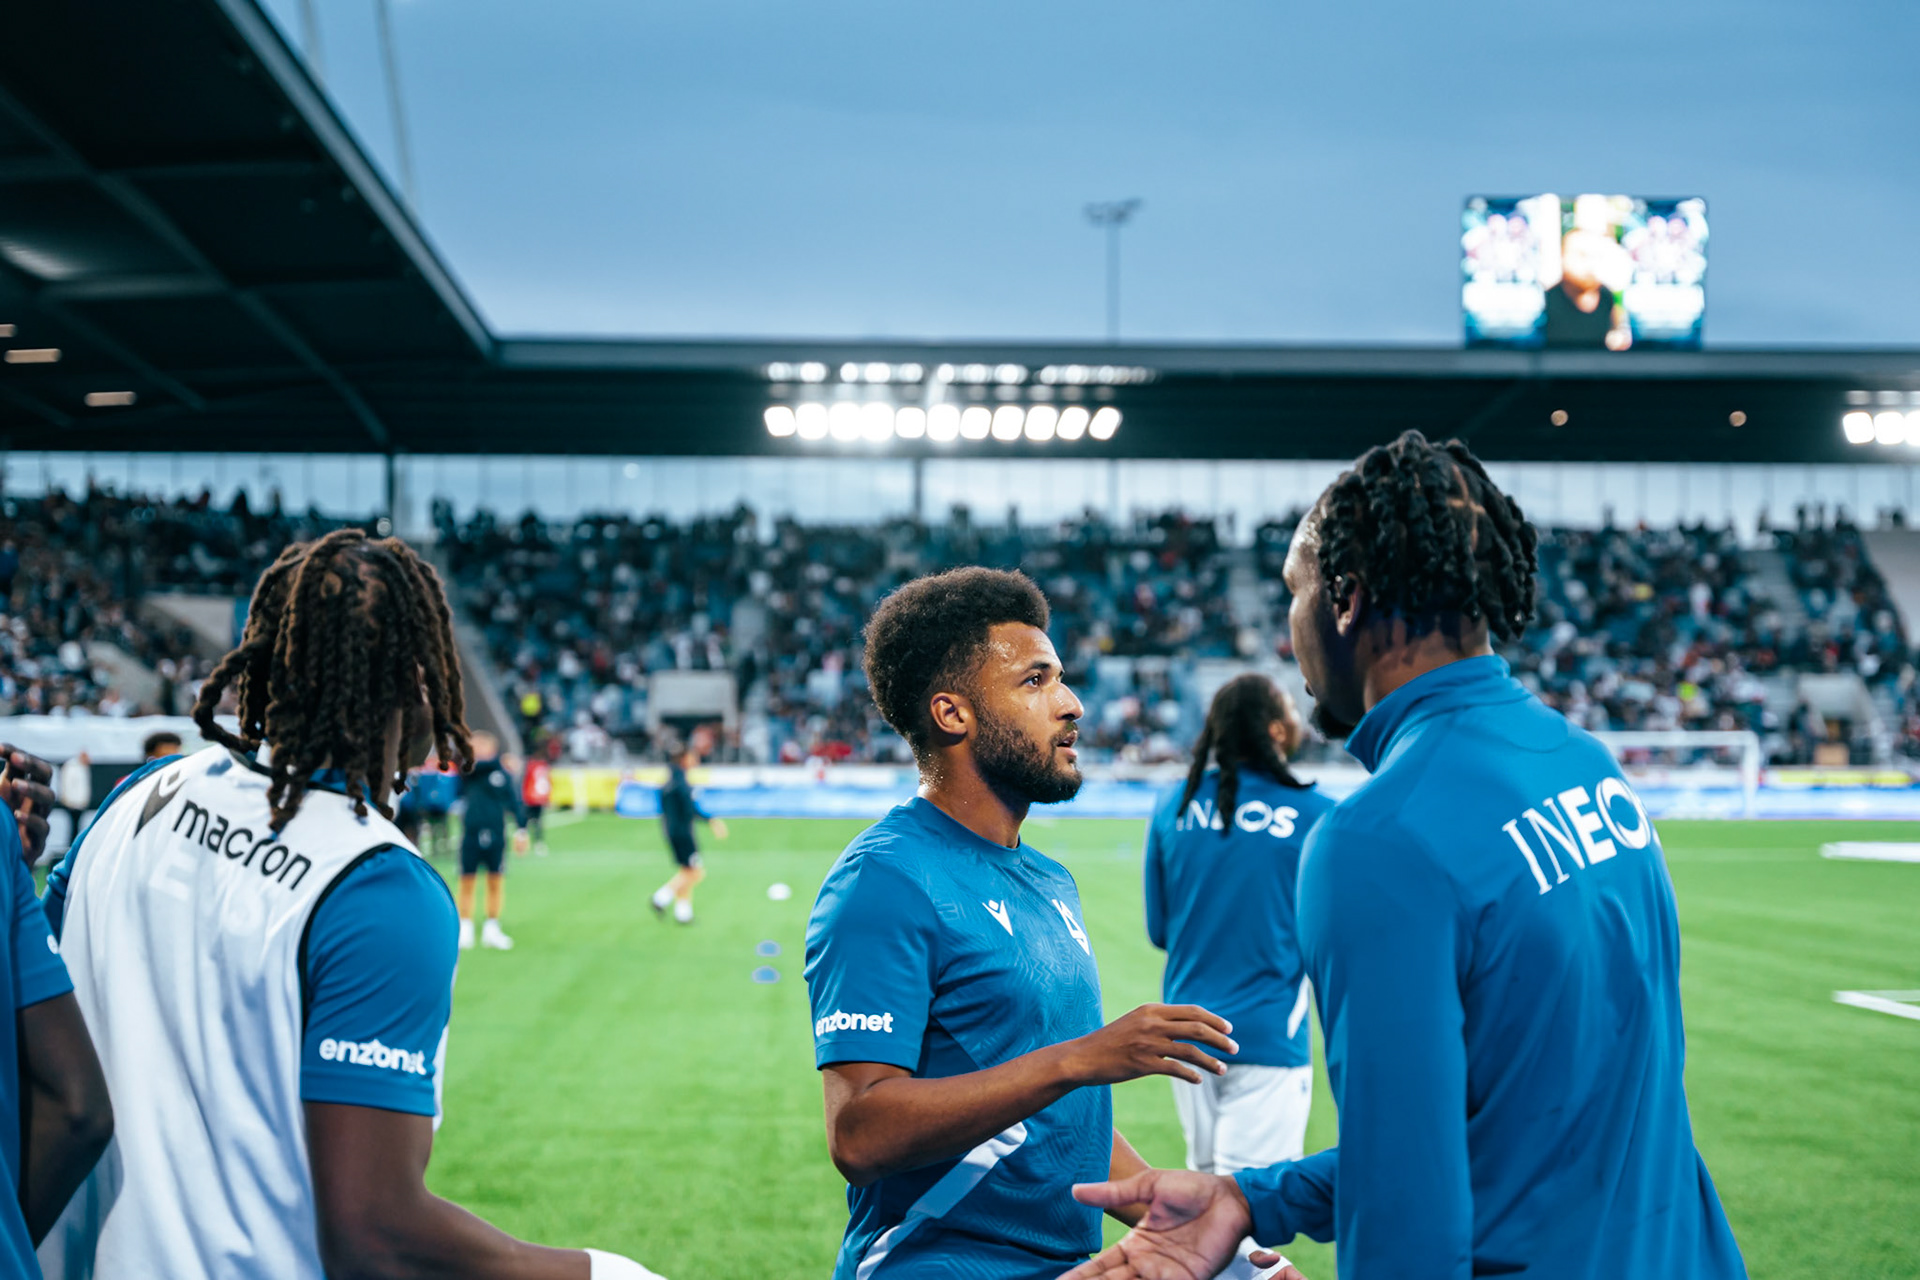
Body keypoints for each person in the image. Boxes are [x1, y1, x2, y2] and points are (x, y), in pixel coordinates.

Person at [1064, 431, 1746, 1280]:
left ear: (1343, 599)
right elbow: (1513, 1130)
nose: (1291, 628)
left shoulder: (1378, 842)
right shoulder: (1587, 767)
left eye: (1294, 592)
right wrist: (1250, 1199)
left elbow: (1407, 1214)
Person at [36, 529, 663, 1279]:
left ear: (269, 654)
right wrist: (601, 1272)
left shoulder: (138, 796)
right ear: (419, 682)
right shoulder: (376, 886)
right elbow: (374, 1231)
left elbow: (35, 1032)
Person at [805, 567, 1244, 1280]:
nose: (1071, 705)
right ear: (953, 714)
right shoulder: (885, 880)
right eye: (1036, 682)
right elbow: (859, 1132)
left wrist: (1178, 1220)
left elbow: (1050, 1109)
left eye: (1061, 679)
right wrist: (1082, 1059)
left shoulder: (1048, 880)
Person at [1142, 674, 1333, 1280]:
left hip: (1186, 1036)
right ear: (1276, 729)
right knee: (1243, 1213)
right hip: (1269, 1035)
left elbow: (1159, 928)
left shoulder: (1173, 805)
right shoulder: (1316, 814)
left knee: (1210, 1202)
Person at [457, 731, 528, 951]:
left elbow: (515, 801)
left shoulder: (502, 775)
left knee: (495, 881)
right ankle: (465, 927)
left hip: (496, 834)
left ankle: (492, 927)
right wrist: (499, 762)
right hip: (471, 833)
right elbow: (467, 767)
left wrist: (521, 830)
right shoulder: (471, 771)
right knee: (467, 881)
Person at [650, 740, 725, 924]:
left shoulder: (668, 780)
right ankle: (661, 897)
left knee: (686, 871)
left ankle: (683, 913)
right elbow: (691, 809)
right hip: (683, 833)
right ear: (684, 759)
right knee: (695, 873)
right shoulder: (681, 783)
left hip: (671, 830)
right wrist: (712, 821)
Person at [522, 742, 553, 855]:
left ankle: (525, 844)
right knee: (536, 821)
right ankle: (538, 844)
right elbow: (548, 783)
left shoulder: (530, 766)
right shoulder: (543, 766)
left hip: (530, 797)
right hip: (537, 797)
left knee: (526, 821)